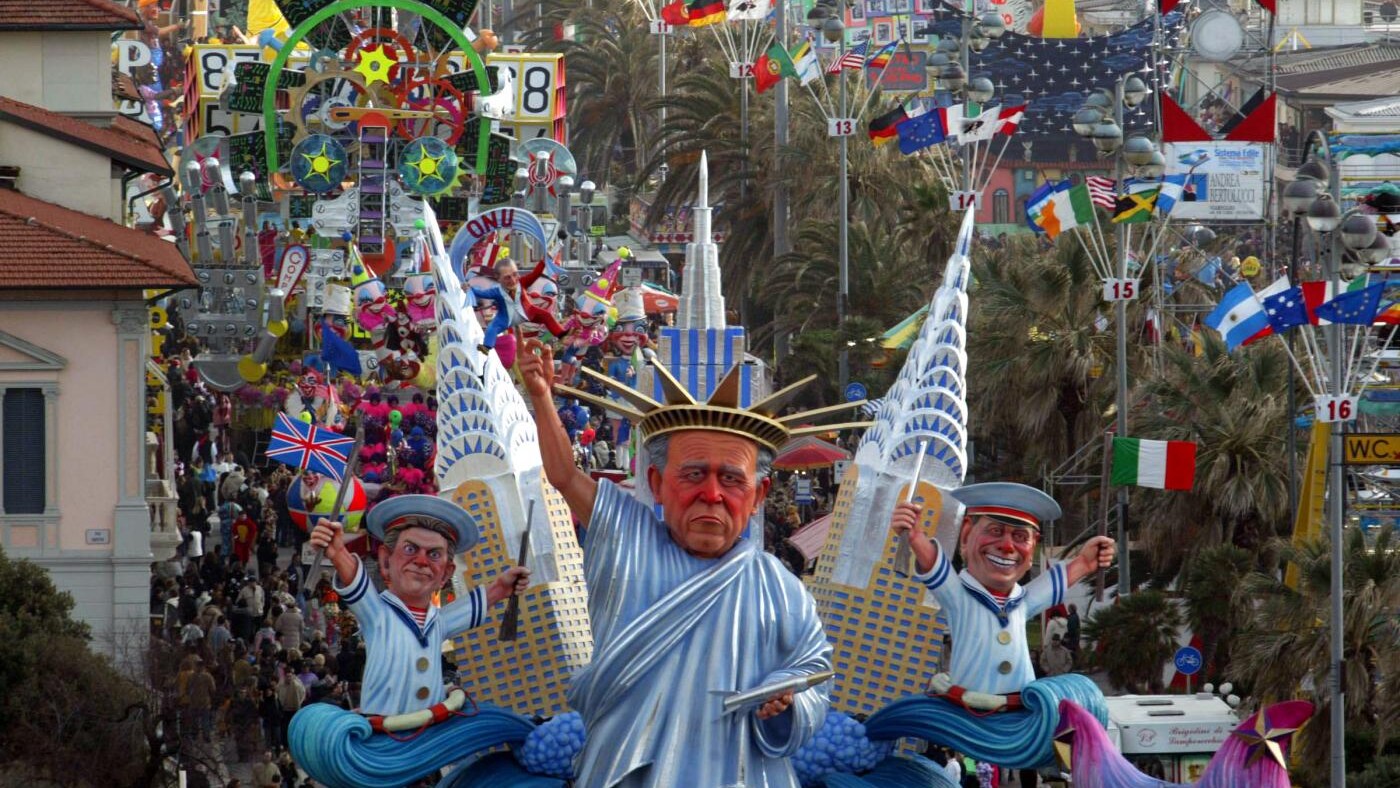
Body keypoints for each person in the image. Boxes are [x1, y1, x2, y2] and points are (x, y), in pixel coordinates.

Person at [520, 339, 834, 787]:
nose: (712, 494)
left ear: (758, 496)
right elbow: (565, 476)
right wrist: (541, 397)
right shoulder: (627, 538)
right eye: (693, 474)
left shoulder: (781, 590)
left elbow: (815, 677)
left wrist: (787, 702)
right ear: (656, 482)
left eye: (731, 479)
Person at [889, 482, 1115, 711]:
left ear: (1032, 548)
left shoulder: (1022, 601)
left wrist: (1086, 562)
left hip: (1021, 707)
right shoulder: (960, 597)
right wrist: (915, 536)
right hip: (968, 710)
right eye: (995, 531)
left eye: (1020, 537)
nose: (1007, 546)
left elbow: (1053, 582)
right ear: (966, 536)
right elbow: (934, 566)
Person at [308, 494, 529, 716]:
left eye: (434, 554)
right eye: (410, 549)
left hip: (430, 732)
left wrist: (500, 589)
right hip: (384, 735)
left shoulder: (438, 622)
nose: (421, 561)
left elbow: (466, 610)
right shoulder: (379, 615)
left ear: (446, 574)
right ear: (385, 561)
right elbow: (359, 586)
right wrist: (338, 553)